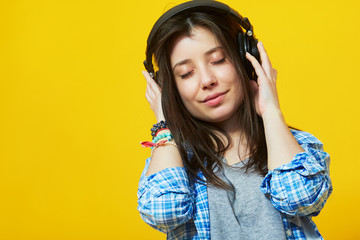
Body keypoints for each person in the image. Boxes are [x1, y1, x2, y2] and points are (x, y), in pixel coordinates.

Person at [137, 0, 333, 239]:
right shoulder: (173, 161)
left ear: (245, 58)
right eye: (186, 73)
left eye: (218, 60)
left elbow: (301, 198)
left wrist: (271, 110)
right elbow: (164, 213)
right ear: (167, 89)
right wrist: (164, 128)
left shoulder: (298, 146)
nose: (207, 80)